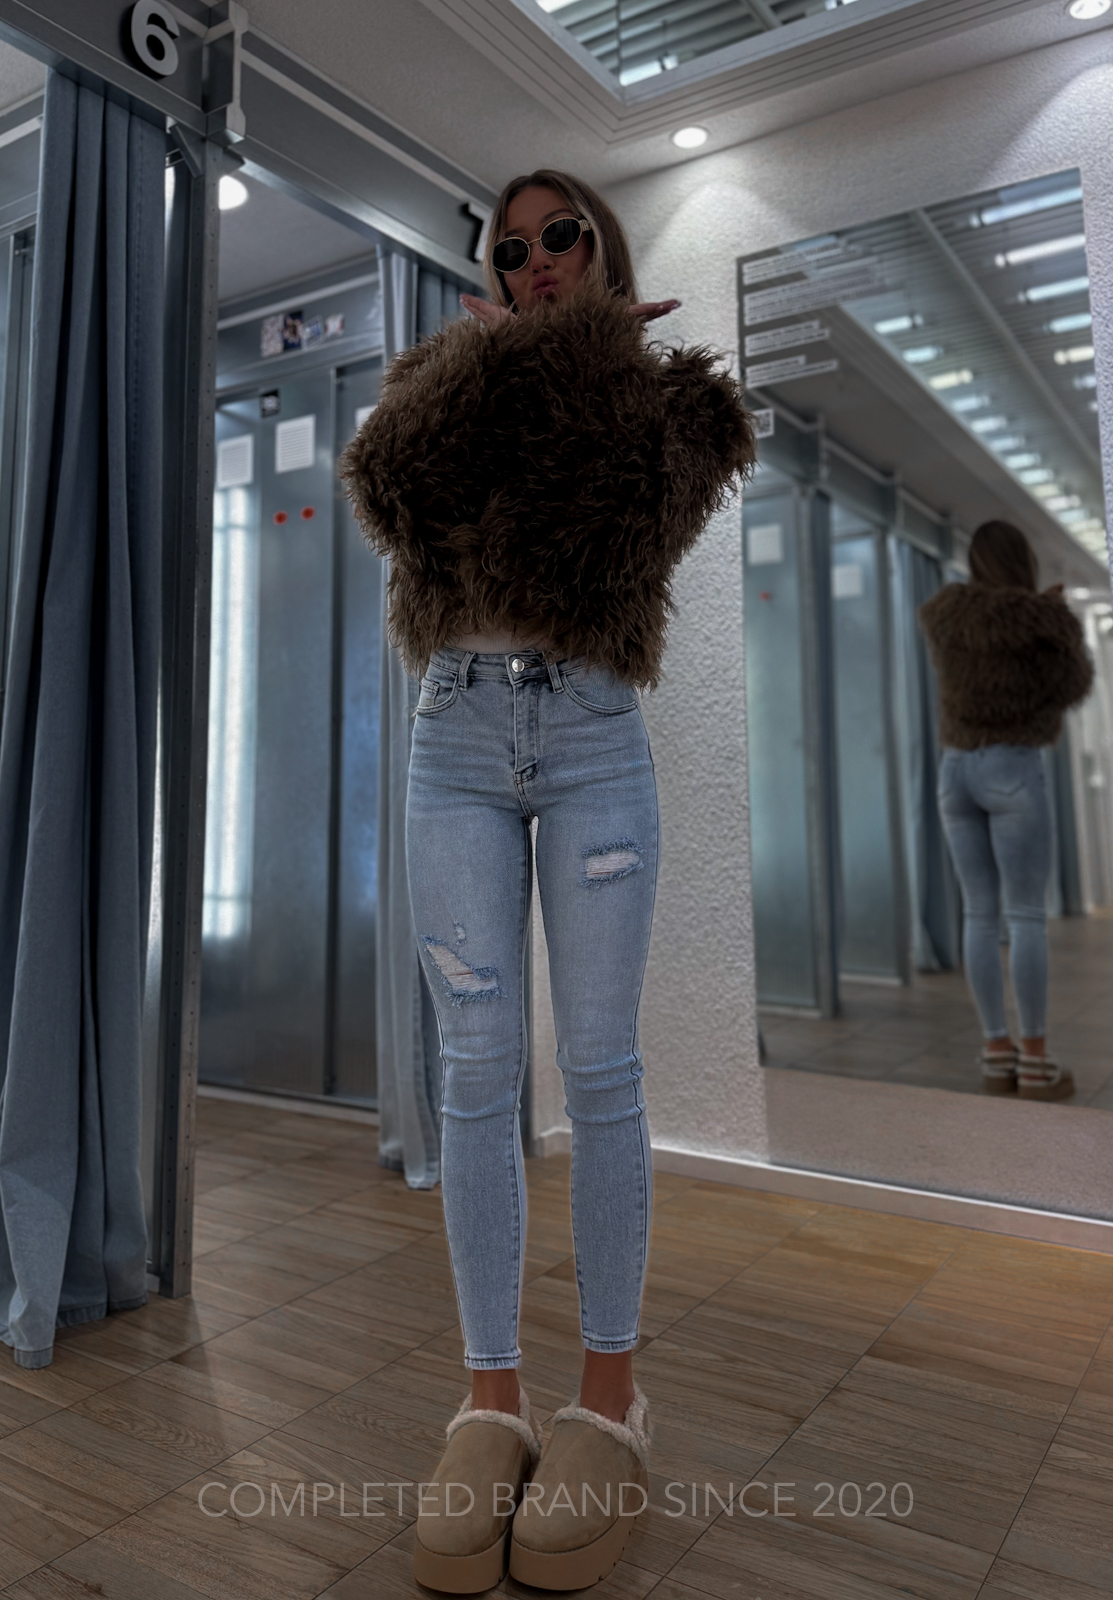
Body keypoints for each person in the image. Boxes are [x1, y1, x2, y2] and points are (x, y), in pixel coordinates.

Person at [340, 169, 754, 1592]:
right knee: (472, 1070)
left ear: (603, 248)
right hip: (454, 732)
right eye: (510, 250)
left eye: (559, 236)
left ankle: (612, 1398)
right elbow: (395, 496)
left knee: (599, 1066)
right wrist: (477, 370)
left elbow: (617, 527)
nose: (534, 261)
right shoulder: (447, 386)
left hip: (588, 735)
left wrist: (580, 364)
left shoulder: (674, 406)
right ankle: (492, 1400)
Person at [918, 520, 1093, 1103]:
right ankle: (1036, 1063)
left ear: (975, 562)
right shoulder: (1038, 620)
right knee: (1024, 916)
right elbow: (1072, 687)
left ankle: (997, 1053)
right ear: (1023, 563)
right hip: (1011, 768)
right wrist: (1055, 620)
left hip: (955, 770)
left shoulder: (947, 616)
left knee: (979, 913)